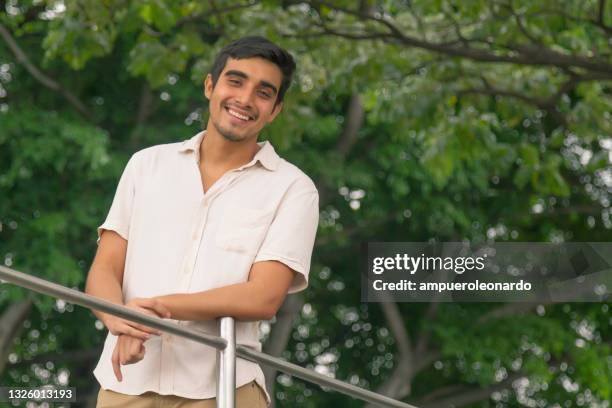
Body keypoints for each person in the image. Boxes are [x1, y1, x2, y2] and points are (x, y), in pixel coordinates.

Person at [85, 36, 319, 408]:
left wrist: (156, 310)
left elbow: (264, 296)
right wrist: (122, 320)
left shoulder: (294, 188)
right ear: (211, 86)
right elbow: (104, 270)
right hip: (124, 386)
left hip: (225, 386)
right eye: (236, 81)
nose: (244, 99)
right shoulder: (147, 165)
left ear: (275, 110)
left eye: (263, 92)